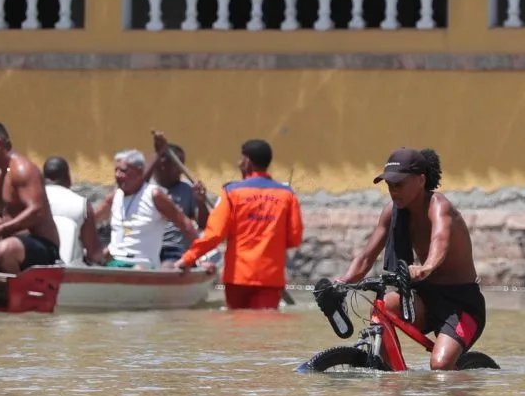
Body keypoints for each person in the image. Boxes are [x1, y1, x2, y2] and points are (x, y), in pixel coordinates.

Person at [333, 148, 485, 371]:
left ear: (421, 180)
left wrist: (426, 268)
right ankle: (392, 377)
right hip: (425, 298)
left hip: (462, 305)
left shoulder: (440, 206)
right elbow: (365, 258)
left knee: (440, 365)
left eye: (399, 184)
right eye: (390, 185)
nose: (394, 191)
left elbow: (440, 241)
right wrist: (341, 283)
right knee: (383, 307)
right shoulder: (391, 212)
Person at [171, 139, 304, 310]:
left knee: (237, 329)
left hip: (238, 277)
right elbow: (294, 238)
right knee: (266, 327)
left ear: (247, 162)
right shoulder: (287, 195)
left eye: (240, 159)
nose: (238, 163)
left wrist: (187, 259)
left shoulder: (232, 192)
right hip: (270, 277)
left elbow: (214, 234)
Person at [0, 121, 60, 273]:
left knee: (5, 250)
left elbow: (37, 211)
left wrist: (1, 229)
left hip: (43, 247)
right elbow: (0, 216)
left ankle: (14, 295)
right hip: (12, 244)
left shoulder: (22, 169)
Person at [97, 149, 198, 268]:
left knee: (139, 269)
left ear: (139, 172)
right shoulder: (114, 196)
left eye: (123, 171)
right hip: (114, 263)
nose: (117, 175)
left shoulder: (154, 195)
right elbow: (92, 219)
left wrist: (200, 256)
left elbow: (185, 224)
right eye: (116, 170)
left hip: (143, 266)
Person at [149, 138, 210, 264]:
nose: (181, 170)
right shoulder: (145, 189)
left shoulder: (187, 189)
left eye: (182, 165)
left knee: (168, 266)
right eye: (177, 165)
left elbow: (204, 225)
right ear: (162, 165)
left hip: (174, 249)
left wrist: (200, 203)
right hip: (148, 247)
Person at [42, 156, 105, 266]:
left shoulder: (31, 203)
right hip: (71, 272)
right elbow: (93, 252)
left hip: (35, 270)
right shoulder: (81, 204)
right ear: (68, 178)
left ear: (43, 178)